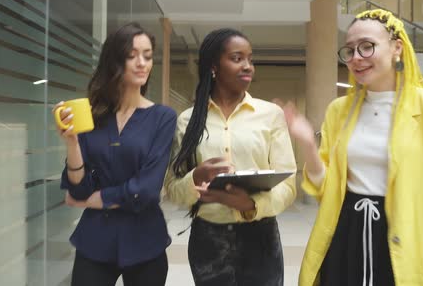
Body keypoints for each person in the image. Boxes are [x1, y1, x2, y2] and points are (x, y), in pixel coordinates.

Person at [284, 9, 423, 286]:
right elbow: (326, 191)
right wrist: (307, 145)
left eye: (367, 47)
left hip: (405, 242)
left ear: (396, 48)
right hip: (345, 238)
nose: (356, 58)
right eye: (350, 50)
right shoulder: (339, 110)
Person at [164, 28, 297, 285]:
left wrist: (249, 205)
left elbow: (288, 186)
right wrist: (196, 177)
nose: (248, 66)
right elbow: (172, 189)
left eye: (250, 59)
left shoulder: (271, 115)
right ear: (214, 66)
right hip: (208, 241)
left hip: (261, 238)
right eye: (237, 58)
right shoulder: (188, 121)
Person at [55, 23, 176, 286]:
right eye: (132, 55)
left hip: (146, 242)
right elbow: (77, 191)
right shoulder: (91, 115)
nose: (142, 63)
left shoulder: (162, 118)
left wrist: (91, 199)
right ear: (114, 60)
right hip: (95, 242)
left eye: (147, 55)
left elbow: (145, 191)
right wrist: (72, 143)